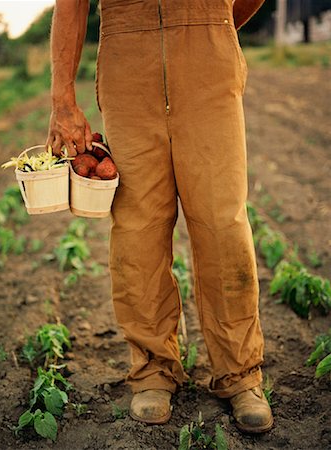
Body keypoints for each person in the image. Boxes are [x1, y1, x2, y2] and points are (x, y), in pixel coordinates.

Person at [47, 0, 273, 433]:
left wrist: (214, 19)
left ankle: (240, 373)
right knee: (137, 225)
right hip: (126, 56)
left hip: (207, 52)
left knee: (222, 223)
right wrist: (62, 100)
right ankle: (152, 369)